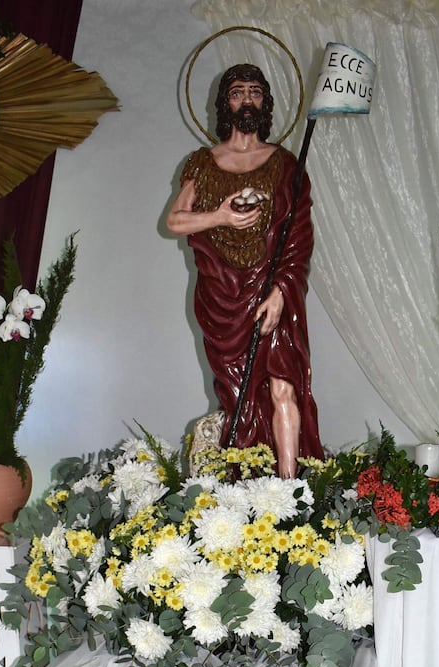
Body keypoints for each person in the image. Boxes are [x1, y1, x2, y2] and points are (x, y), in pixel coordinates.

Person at [166, 64, 323, 478]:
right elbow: (175, 222)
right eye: (237, 93)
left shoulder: (285, 164)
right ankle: (245, 481)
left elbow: (299, 238)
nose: (246, 100)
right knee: (238, 394)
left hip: (272, 288)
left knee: (282, 384)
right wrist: (219, 217)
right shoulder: (204, 162)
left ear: (264, 103)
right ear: (225, 103)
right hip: (222, 295)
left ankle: (291, 492)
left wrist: (282, 292)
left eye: (255, 92)